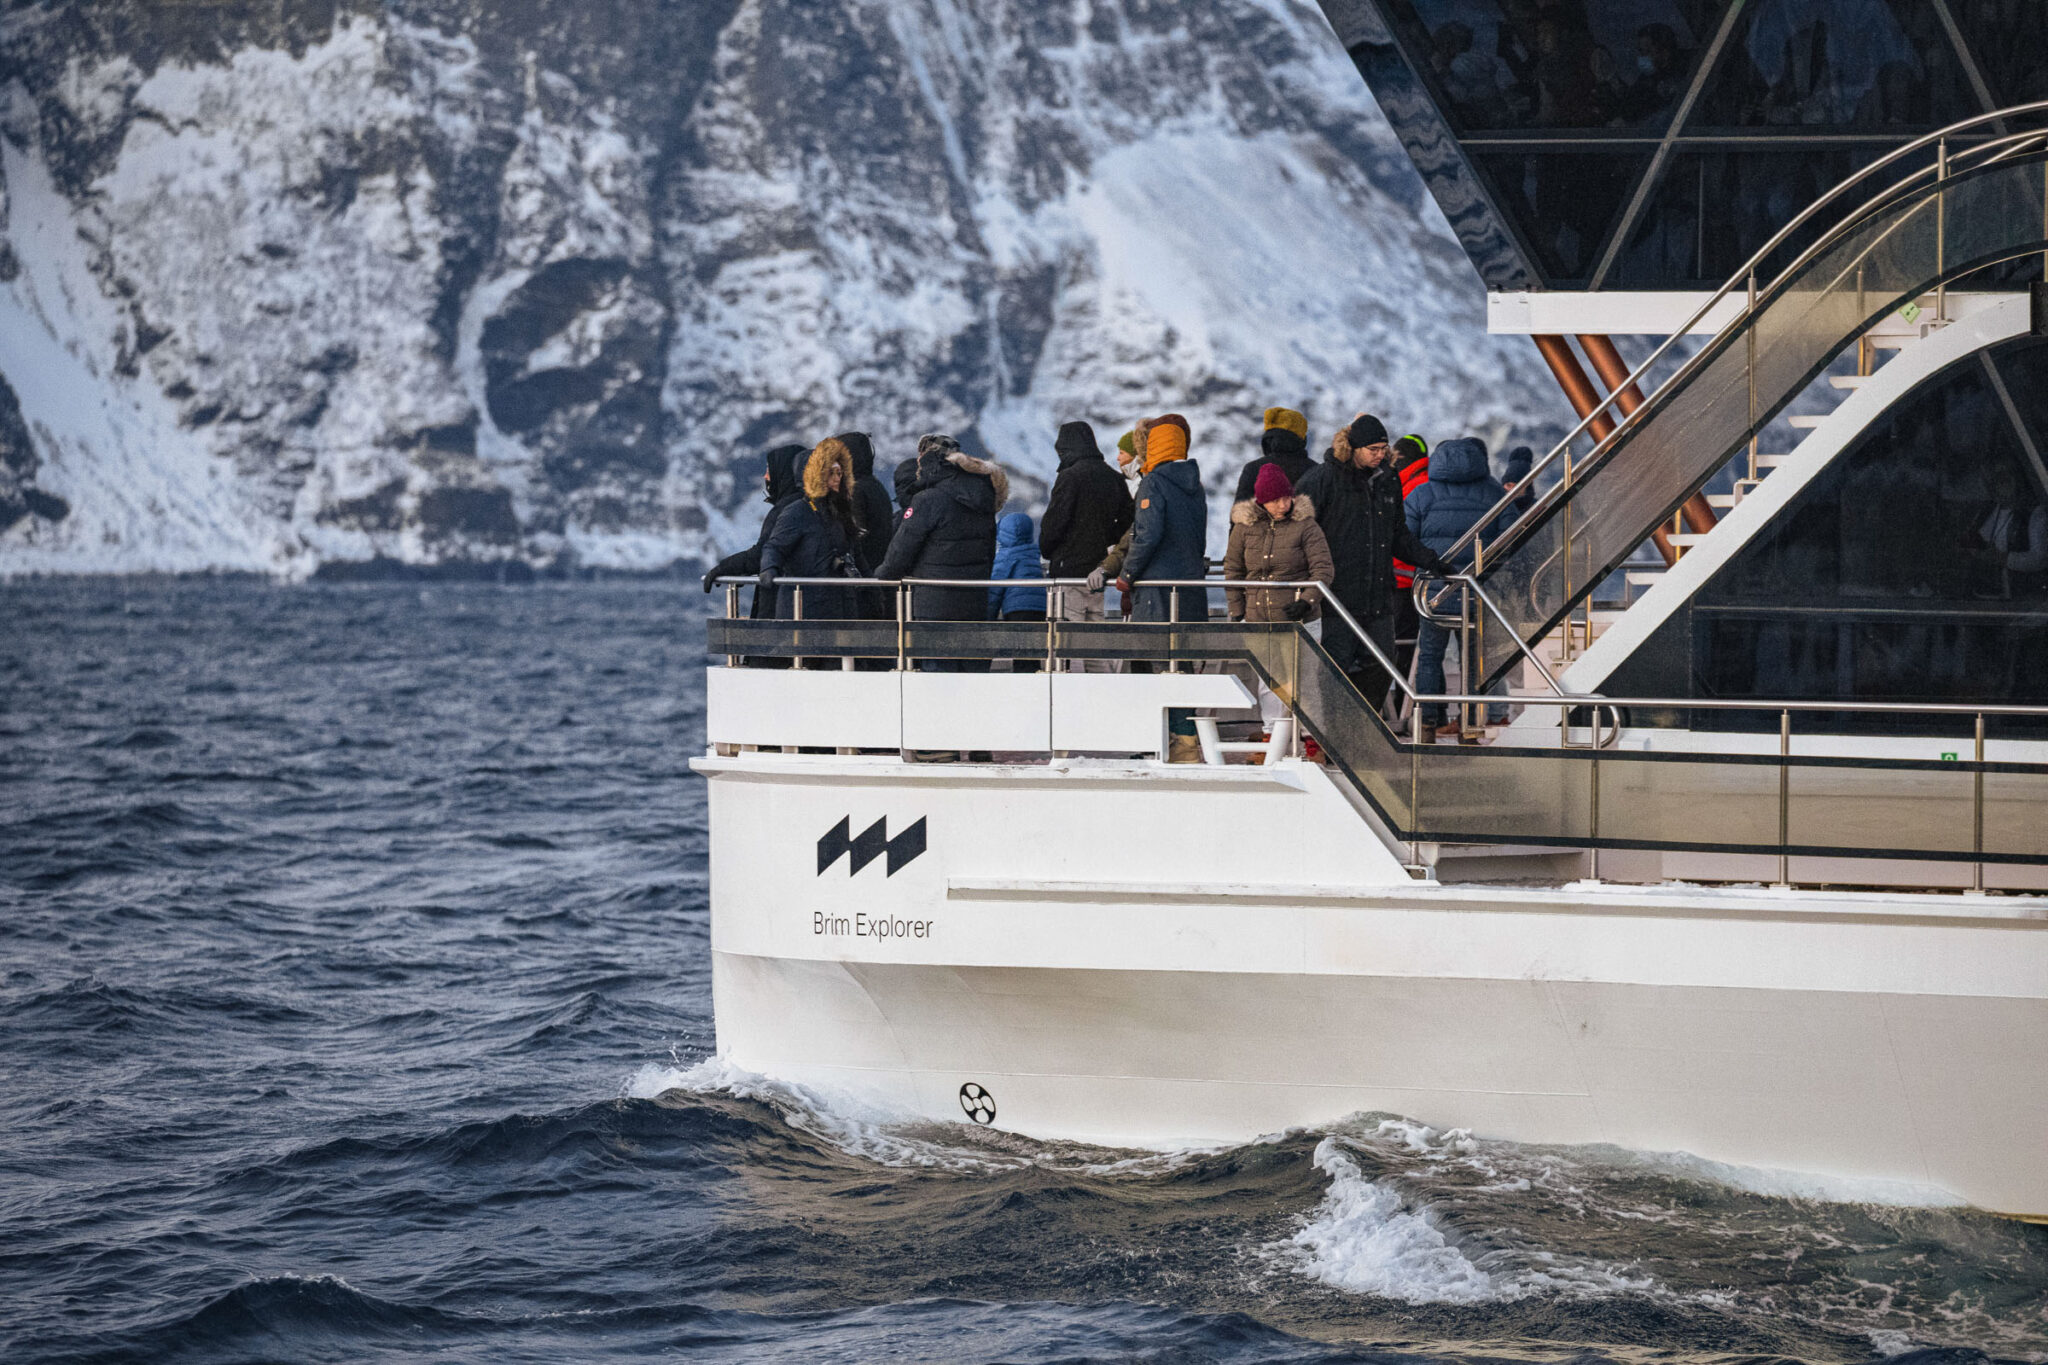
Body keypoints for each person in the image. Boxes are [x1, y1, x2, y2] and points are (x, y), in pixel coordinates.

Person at [1296, 414, 1450, 714]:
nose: (1381, 454)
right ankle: (1336, 735)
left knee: (1382, 663)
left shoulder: (1388, 479)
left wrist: (1430, 561)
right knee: (1334, 667)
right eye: (1373, 449)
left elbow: (1397, 534)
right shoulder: (1323, 479)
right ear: (1353, 448)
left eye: (1384, 447)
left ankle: (1361, 730)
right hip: (1336, 597)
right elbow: (1297, 533)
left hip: (1378, 596)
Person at [1405, 437, 1513, 742]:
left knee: (1429, 657)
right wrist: (1489, 567)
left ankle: (1425, 725)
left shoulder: (1421, 494)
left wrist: (1426, 563)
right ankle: (1469, 726)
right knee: (1473, 660)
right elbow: (1514, 537)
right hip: (1476, 591)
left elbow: (1405, 539)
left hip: (1433, 592)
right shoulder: (1493, 495)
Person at [1117, 413, 1209, 761]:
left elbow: (1147, 534)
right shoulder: (1194, 484)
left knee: (1153, 663)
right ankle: (1186, 742)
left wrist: (1127, 574)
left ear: (1152, 446)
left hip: (1156, 591)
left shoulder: (1152, 483)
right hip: (1188, 588)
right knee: (1180, 665)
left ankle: (1159, 742)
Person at [876, 434, 1007, 670]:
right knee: (971, 677)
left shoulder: (927, 500)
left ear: (926, 462)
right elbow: (990, 553)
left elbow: (899, 555)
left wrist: (878, 580)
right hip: (974, 603)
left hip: (933, 607)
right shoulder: (984, 500)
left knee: (938, 682)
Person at [1225, 464, 1335, 727]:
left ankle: (1311, 742)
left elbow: (1323, 568)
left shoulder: (1306, 526)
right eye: (1275, 500)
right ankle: (1272, 736)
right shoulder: (1243, 528)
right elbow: (1233, 569)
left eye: (1287, 498)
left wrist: (1306, 601)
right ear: (1262, 500)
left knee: (1305, 682)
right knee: (1269, 681)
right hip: (1260, 618)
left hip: (1302, 619)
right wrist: (1238, 610)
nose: (1283, 505)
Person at [1039, 420, 1133, 669]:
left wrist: (1049, 550)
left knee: (1067, 646)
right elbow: (1129, 525)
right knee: (1094, 645)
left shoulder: (1070, 477)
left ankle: (1071, 702)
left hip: (1068, 574)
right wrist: (1105, 544)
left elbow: (1054, 524)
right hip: (1098, 573)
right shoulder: (1114, 478)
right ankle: (1100, 698)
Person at [760, 438, 863, 629]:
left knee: (836, 658)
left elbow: (854, 554)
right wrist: (769, 569)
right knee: (808, 659)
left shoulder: (840, 513)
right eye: (830, 473)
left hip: (836, 607)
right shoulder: (797, 511)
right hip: (805, 607)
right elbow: (775, 546)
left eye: (839, 473)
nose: (836, 478)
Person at [1389, 433, 1432, 687]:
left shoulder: (1410, 487)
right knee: (1415, 647)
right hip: (1416, 577)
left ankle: (1401, 701)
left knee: (1402, 646)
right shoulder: (1425, 482)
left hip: (1404, 580)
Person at [989, 512, 1049, 672]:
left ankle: (1023, 683)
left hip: (1017, 609)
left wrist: (988, 616)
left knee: (1021, 651)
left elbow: (995, 588)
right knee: (1032, 652)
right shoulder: (1032, 553)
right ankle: (1034, 677)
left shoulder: (1006, 555)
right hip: (1039, 609)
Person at [1233, 407, 1317, 503]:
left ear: (1268, 439)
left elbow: (1239, 514)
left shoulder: (1253, 469)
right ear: (1303, 440)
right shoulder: (1318, 472)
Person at [1501, 444, 1537, 514]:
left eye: (1517, 486)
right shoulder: (1494, 507)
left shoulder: (1538, 509)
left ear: (1527, 486)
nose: (1512, 490)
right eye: (1508, 485)